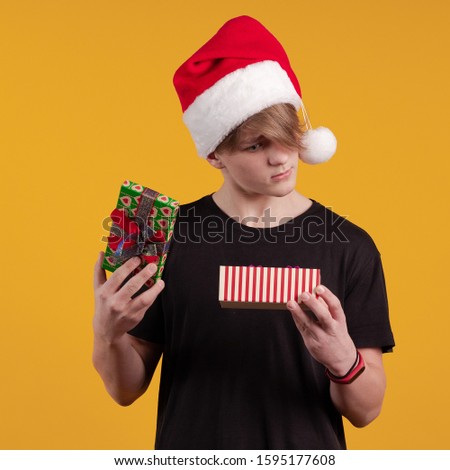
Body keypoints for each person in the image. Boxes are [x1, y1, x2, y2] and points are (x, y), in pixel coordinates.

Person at [93, 16, 395, 449]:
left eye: (288, 137)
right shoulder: (167, 236)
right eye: (257, 145)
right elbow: (125, 390)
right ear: (216, 153)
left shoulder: (350, 245)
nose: (281, 158)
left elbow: (365, 411)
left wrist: (341, 359)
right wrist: (108, 333)